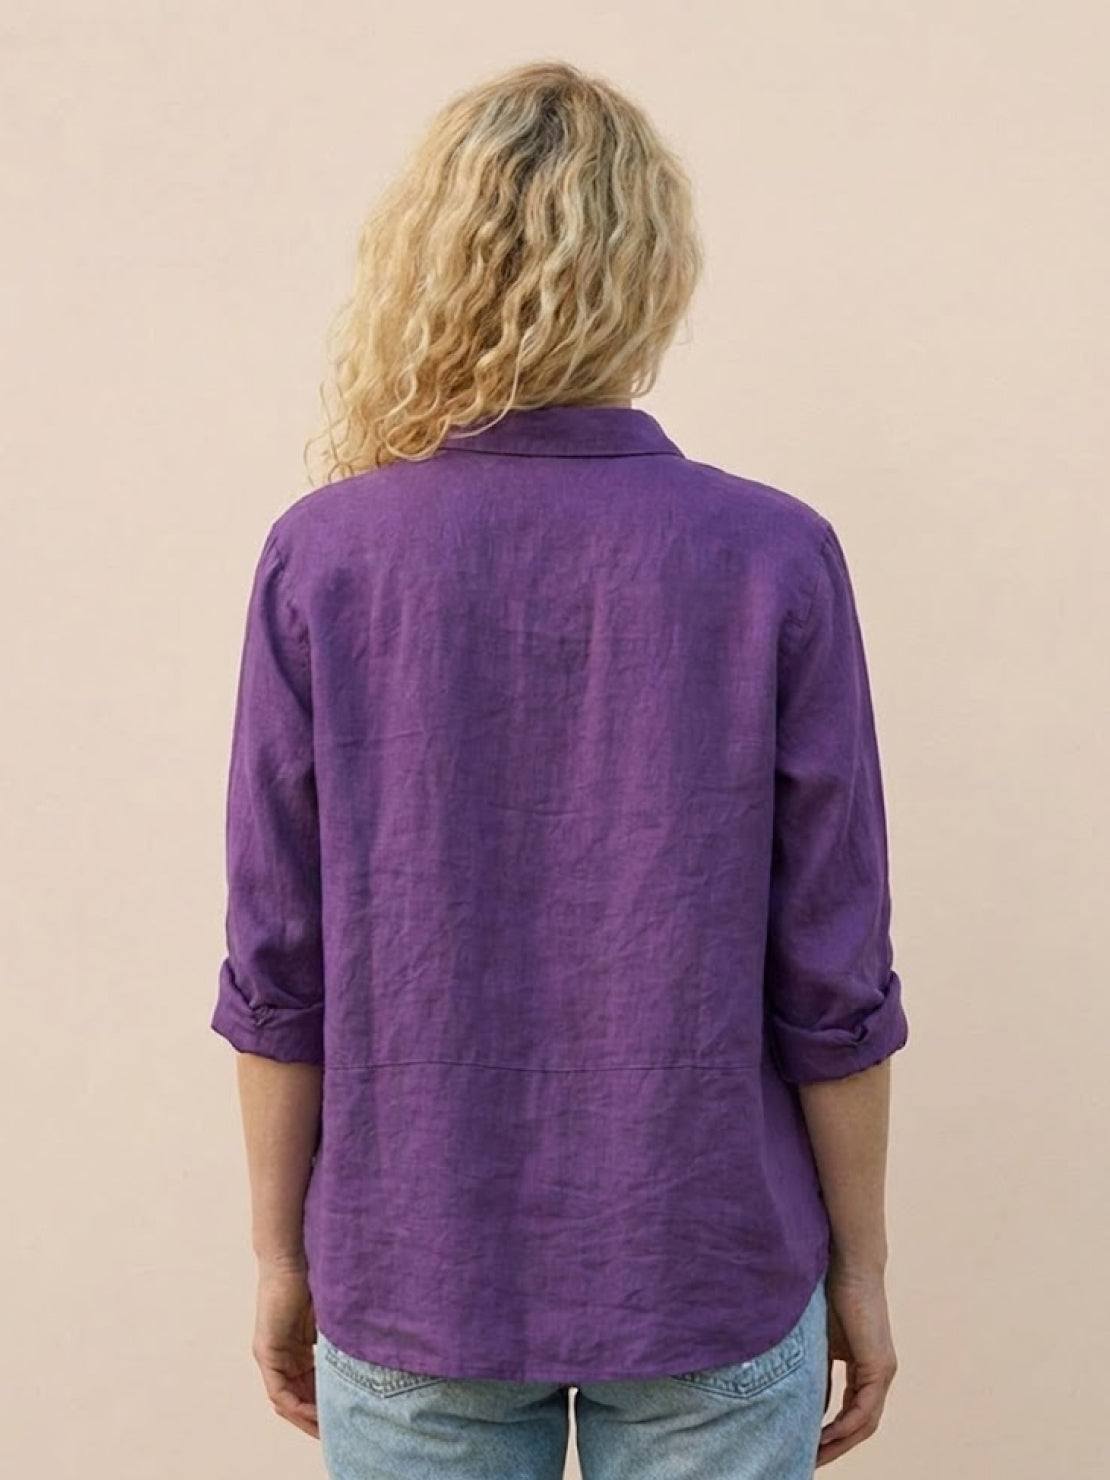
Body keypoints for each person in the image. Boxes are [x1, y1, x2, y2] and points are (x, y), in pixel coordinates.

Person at [210, 59, 909, 1480]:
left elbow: (278, 963)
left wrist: (279, 1257)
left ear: (428, 261)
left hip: (412, 1269)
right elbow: (832, 972)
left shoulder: (325, 558)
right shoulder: (772, 556)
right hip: (709, 1262)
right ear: (651, 273)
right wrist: (863, 1268)